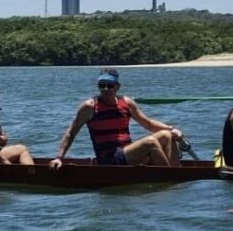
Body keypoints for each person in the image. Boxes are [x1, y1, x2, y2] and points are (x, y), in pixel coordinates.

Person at [49, 69, 184, 170]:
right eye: (102, 85)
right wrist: (59, 158)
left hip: (127, 151)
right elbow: (71, 132)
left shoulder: (126, 103)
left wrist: (172, 129)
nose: (106, 89)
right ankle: (168, 177)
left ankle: (178, 172)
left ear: (117, 87)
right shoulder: (89, 107)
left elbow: (147, 123)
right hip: (108, 158)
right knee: (150, 142)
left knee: (166, 135)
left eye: (110, 85)